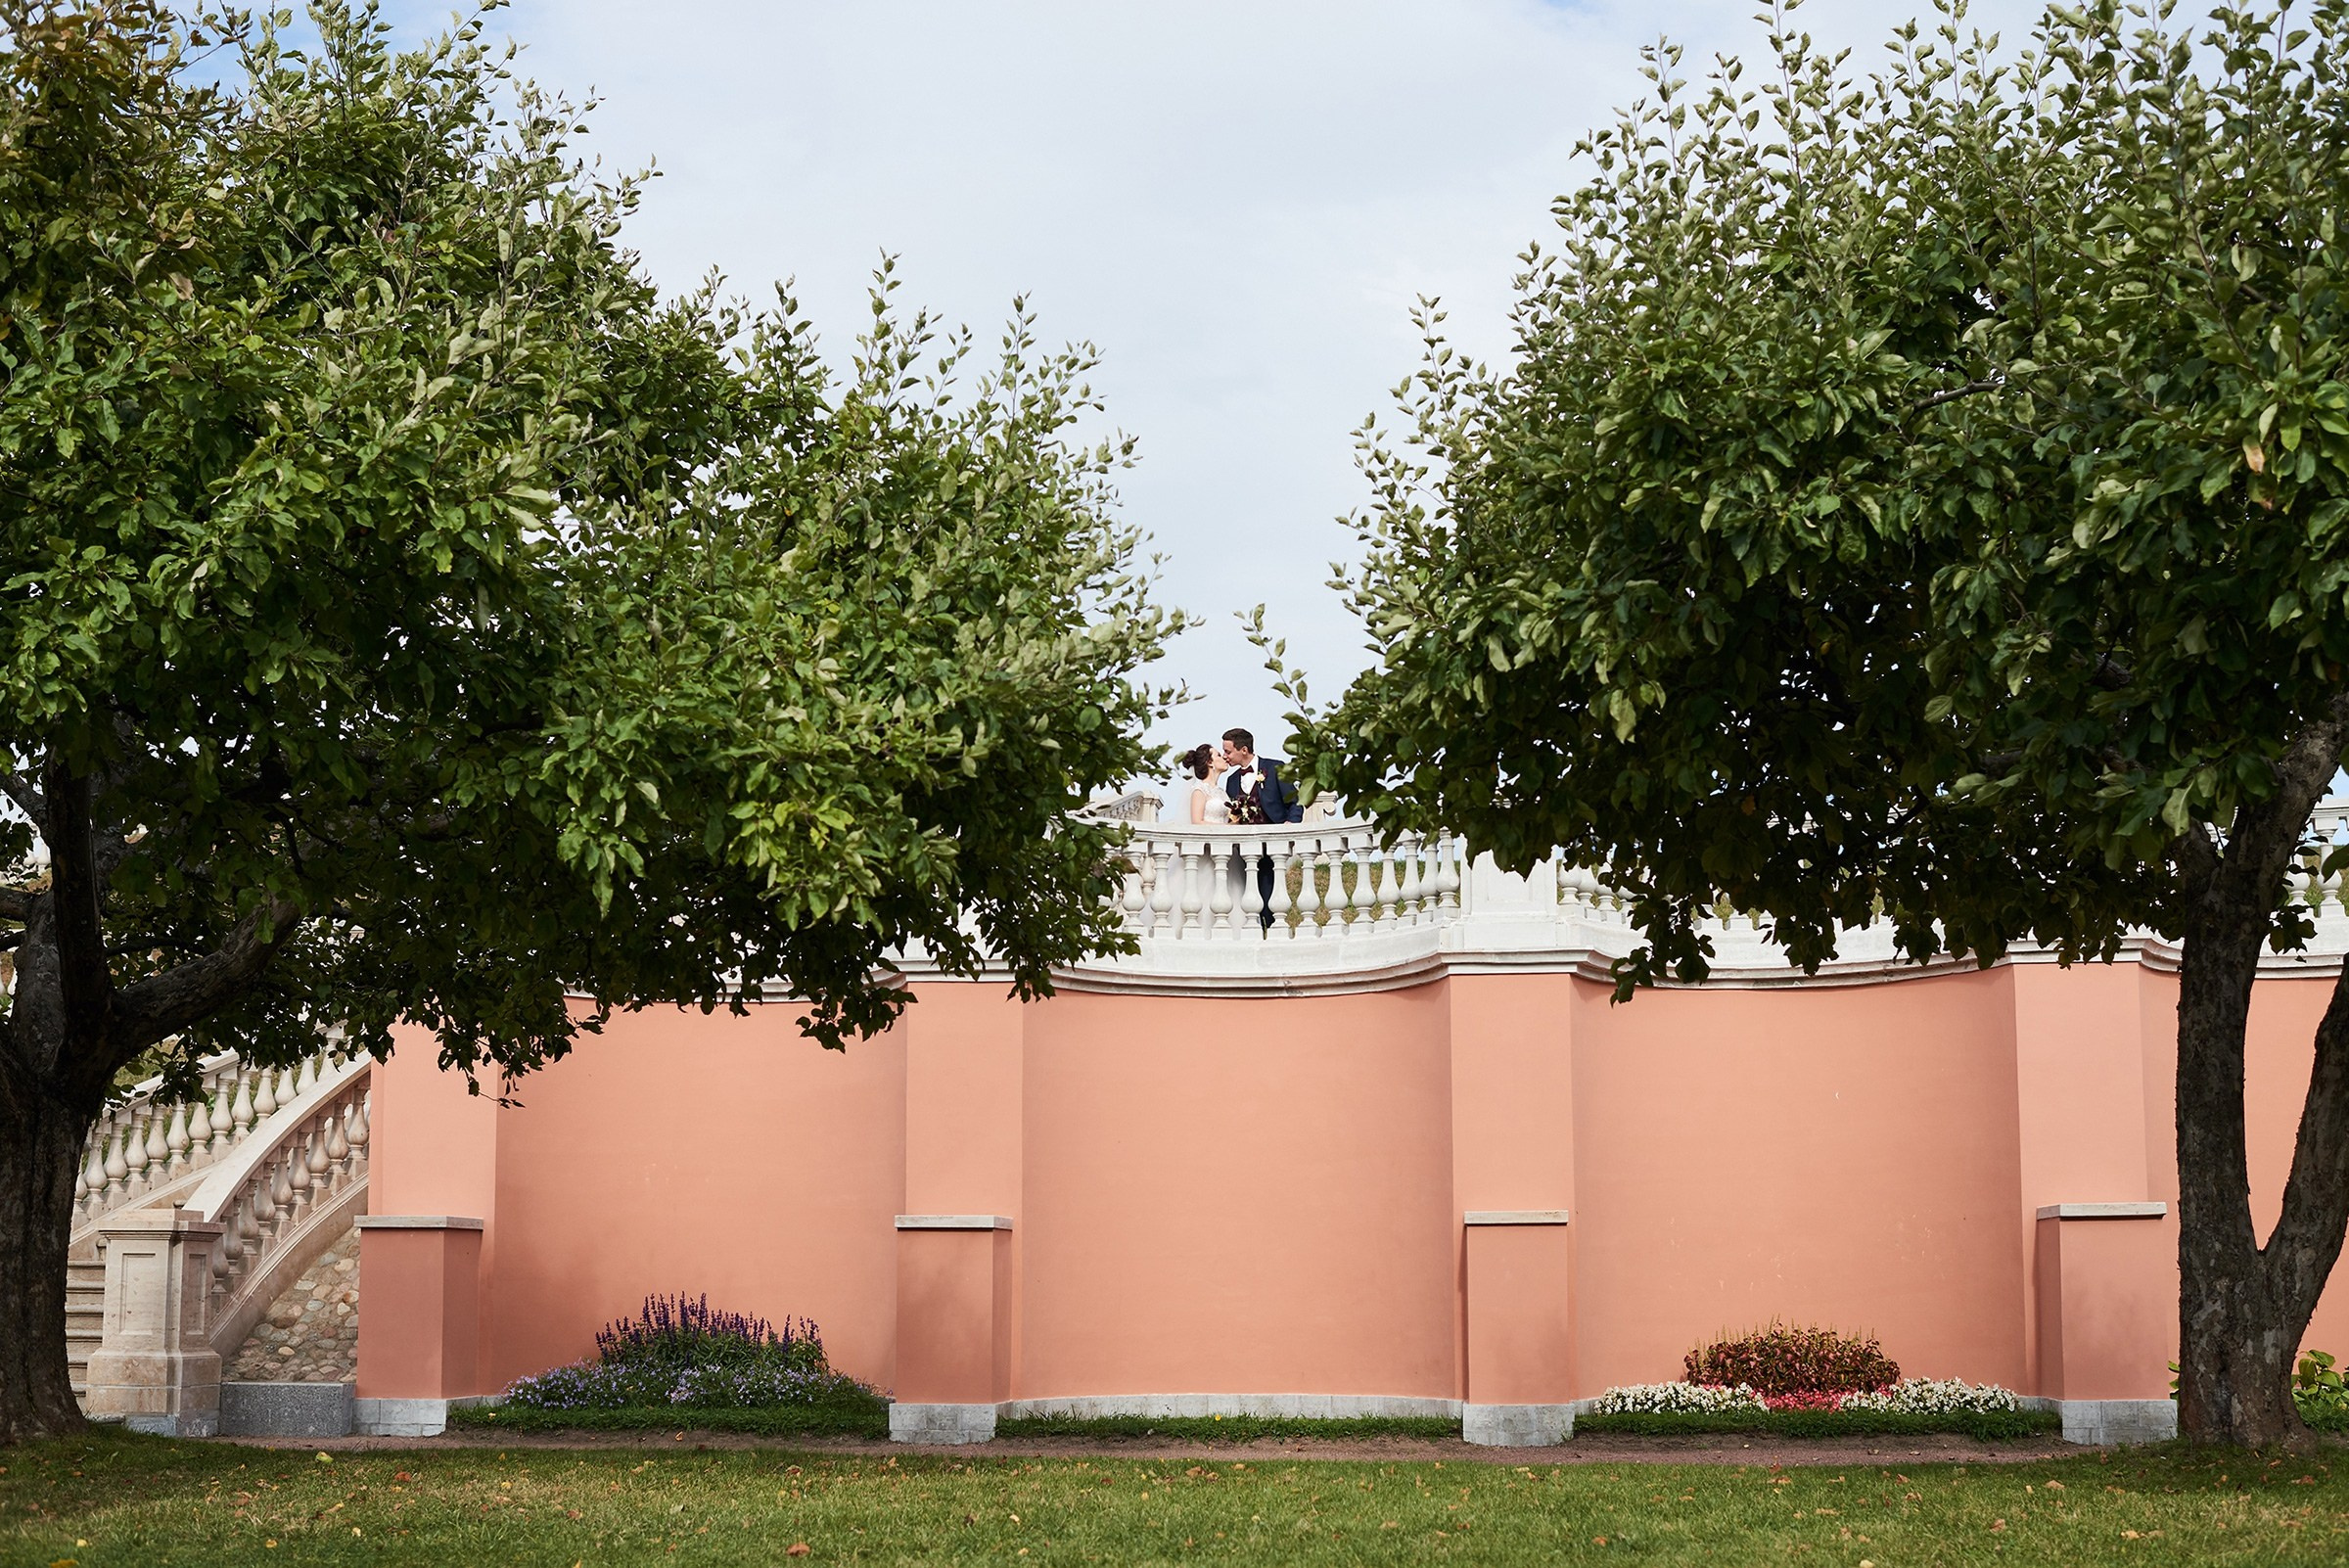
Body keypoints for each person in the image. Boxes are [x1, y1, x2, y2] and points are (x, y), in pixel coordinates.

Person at [1221, 727, 1301, 927]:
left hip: (1273, 844)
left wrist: (1290, 826)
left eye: (1228, 751)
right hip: (1244, 848)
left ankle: (1272, 928)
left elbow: (1295, 801)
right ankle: (1255, 929)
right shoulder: (1231, 781)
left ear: (1244, 750)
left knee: (1269, 889)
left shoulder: (1274, 768)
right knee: (1246, 892)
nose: (1225, 756)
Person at [1178, 743, 1230, 824]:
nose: (1224, 757)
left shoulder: (1222, 792)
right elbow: (1197, 822)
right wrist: (1226, 828)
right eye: (1218, 755)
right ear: (1210, 762)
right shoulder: (1199, 790)